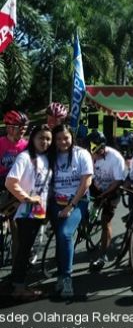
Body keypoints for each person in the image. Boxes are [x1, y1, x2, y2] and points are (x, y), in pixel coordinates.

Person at [5, 125, 52, 301]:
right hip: (27, 213)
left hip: (38, 212)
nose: (45, 142)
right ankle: (18, 288)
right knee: (24, 250)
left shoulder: (44, 158)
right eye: (41, 138)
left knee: (27, 249)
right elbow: (11, 182)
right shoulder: (25, 157)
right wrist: (27, 199)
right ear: (32, 138)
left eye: (48, 139)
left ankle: (17, 283)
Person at [48, 124, 93, 298]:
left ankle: (67, 277)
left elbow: (86, 182)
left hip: (77, 201)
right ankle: (60, 274)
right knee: (59, 236)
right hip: (55, 202)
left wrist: (71, 206)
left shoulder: (82, 154)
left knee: (66, 234)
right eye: (58, 139)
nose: (62, 142)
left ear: (72, 137)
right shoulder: (51, 156)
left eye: (65, 138)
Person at [86, 131, 126, 270]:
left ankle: (102, 256)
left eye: (95, 153)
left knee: (105, 220)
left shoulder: (115, 158)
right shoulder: (89, 154)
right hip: (96, 186)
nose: (93, 156)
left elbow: (118, 180)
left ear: (102, 148)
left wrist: (105, 194)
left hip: (112, 190)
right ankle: (87, 223)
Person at [0, 110, 29, 189]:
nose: (22, 130)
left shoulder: (26, 145)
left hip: (19, 182)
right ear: (9, 128)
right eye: (19, 127)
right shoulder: (1, 143)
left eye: (25, 128)